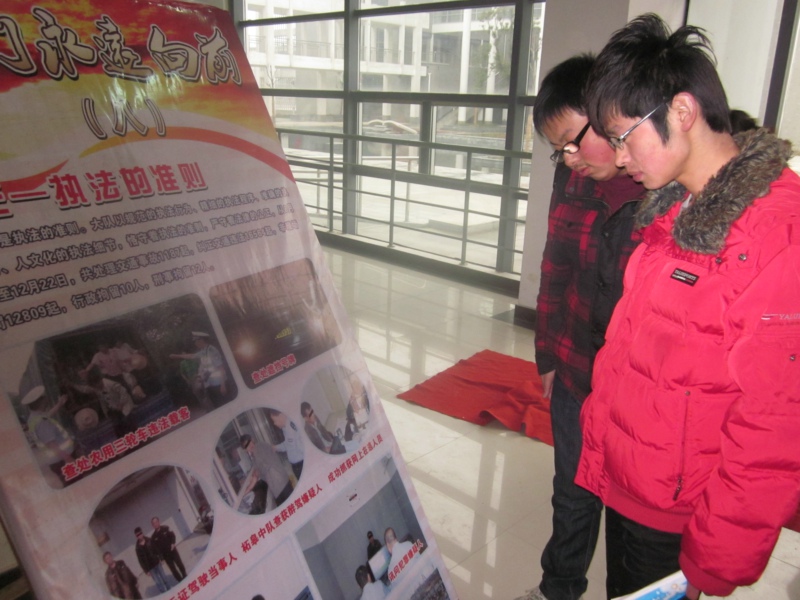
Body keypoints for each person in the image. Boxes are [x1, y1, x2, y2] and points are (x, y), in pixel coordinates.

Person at [576, 13, 800, 600]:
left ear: (681, 111)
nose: (619, 157)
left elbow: (774, 426)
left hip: (679, 513)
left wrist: (712, 561)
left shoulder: (777, 235)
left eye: (624, 136)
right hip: (634, 483)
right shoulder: (675, 210)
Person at [515, 54, 646, 600]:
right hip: (574, 370)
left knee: (630, 517)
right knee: (571, 494)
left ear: (610, 115)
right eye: (558, 150)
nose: (568, 159)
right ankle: (558, 588)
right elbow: (556, 266)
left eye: (573, 142)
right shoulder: (573, 179)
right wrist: (548, 354)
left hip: (636, 390)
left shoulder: (662, 190)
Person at [22, 386, 74, 482]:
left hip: (55, 461)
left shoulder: (33, 418)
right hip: (62, 460)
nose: (47, 399)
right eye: (44, 397)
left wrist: (59, 404)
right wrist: (68, 459)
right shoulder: (42, 422)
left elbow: (47, 415)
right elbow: (51, 444)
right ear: (41, 401)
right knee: (75, 482)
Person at [169, 332, 227, 408]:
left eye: (196, 341)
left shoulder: (212, 350)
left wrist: (223, 385)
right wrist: (177, 356)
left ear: (201, 340)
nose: (195, 343)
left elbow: (221, 368)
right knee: (217, 406)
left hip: (219, 384)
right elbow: (191, 356)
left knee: (225, 405)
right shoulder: (203, 352)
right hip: (210, 385)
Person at [239, 433, 294, 514]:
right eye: (246, 446)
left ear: (252, 439)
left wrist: (256, 473)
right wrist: (244, 493)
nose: (250, 446)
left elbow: (264, 468)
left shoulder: (259, 448)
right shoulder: (255, 454)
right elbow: (257, 474)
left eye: (249, 442)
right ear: (245, 450)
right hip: (278, 486)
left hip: (280, 484)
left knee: (291, 510)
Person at [268, 409, 304, 480]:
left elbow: (303, 447)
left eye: (275, 420)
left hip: (301, 465)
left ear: (281, 415)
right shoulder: (285, 428)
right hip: (296, 467)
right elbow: (288, 444)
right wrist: (276, 447)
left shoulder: (292, 426)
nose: (274, 423)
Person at [134, 526, 170, 594]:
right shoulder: (137, 548)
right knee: (158, 582)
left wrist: (161, 558)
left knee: (164, 577)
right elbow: (140, 561)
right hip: (150, 568)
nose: (140, 535)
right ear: (136, 536)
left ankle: (169, 590)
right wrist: (146, 571)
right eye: (138, 535)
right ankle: (164, 594)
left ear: (142, 533)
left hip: (156, 562)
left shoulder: (149, 540)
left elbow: (156, 549)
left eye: (140, 533)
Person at [150, 517, 186, 583]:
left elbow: (173, 535)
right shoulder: (153, 537)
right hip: (166, 556)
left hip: (173, 551)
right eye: (153, 523)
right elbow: (156, 549)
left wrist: (173, 543)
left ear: (159, 522)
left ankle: (185, 576)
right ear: (152, 525)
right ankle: (180, 580)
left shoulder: (166, 528)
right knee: (173, 569)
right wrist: (161, 558)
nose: (155, 524)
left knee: (179, 564)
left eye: (156, 522)